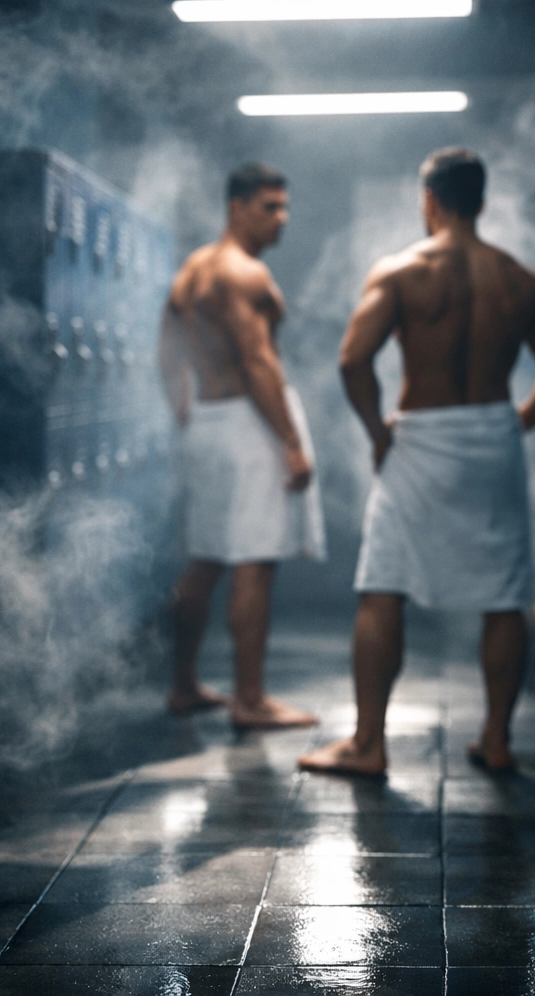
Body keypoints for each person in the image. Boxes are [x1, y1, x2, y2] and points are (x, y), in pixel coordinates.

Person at [300, 147, 535, 775]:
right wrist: (514, 422)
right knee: (504, 594)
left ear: (428, 200)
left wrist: (377, 431)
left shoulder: (402, 272)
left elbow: (352, 360)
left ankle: (369, 744)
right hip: (491, 435)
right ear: (479, 201)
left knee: (382, 588)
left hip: (420, 439)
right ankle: (497, 739)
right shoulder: (518, 279)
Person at [159, 162, 325, 729]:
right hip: (250, 425)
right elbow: (259, 362)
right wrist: (292, 443)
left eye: (283, 206)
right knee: (255, 562)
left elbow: (167, 348)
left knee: (205, 560)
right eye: (269, 207)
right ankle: (250, 700)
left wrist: (184, 407)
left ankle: (183, 685)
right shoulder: (244, 273)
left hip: (208, 419)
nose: (282, 218)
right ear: (237, 207)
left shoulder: (193, 269)